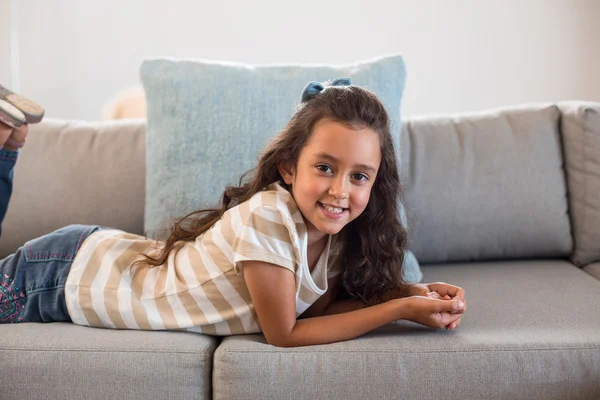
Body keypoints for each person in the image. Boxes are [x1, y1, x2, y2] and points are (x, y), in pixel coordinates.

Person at [0, 79, 466, 347]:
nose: (340, 190)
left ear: (375, 182)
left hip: (92, 262)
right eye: (325, 167)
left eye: (359, 176)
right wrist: (399, 307)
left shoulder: (338, 236)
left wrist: (409, 293)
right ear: (289, 167)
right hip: (68, 274)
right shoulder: (268, 217)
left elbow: (315, 313)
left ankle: (9, 140)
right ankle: (6, 148)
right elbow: (284, 334)